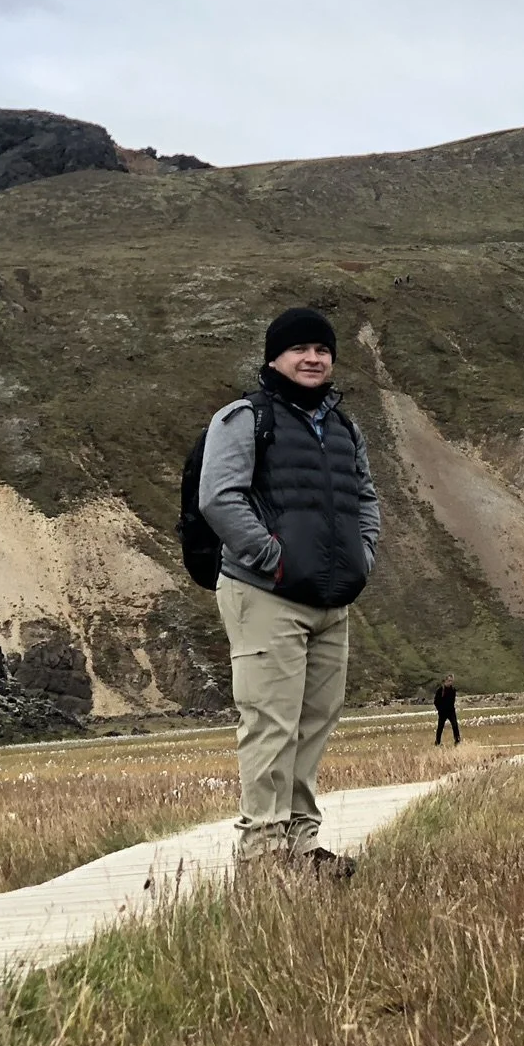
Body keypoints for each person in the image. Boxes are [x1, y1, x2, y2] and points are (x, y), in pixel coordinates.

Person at [198, 306, 380, 877]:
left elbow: (366, 501)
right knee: (270, 722)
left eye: (322, 350)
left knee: (313, 723)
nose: (313, 358)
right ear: (274, 357)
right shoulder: (244, 418)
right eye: (300, 349)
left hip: (330, 602)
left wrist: (363, 557)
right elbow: (218, 499)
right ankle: (262, 854)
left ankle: (301, 847)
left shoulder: (345, 428)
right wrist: (274, 561)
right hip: (266, 595)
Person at [434, 675, 460, 746]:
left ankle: (457, 740)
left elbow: (453, 700)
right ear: (445, 681)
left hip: (451, 711)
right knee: (440, 727)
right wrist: (440, 709)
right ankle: (437, 741)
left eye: (451, 681)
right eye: (449, 681)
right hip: (442, 712)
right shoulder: (440, 690)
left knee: (455, 725)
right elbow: (436, 701)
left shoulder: (453, 690)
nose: (450, 682)